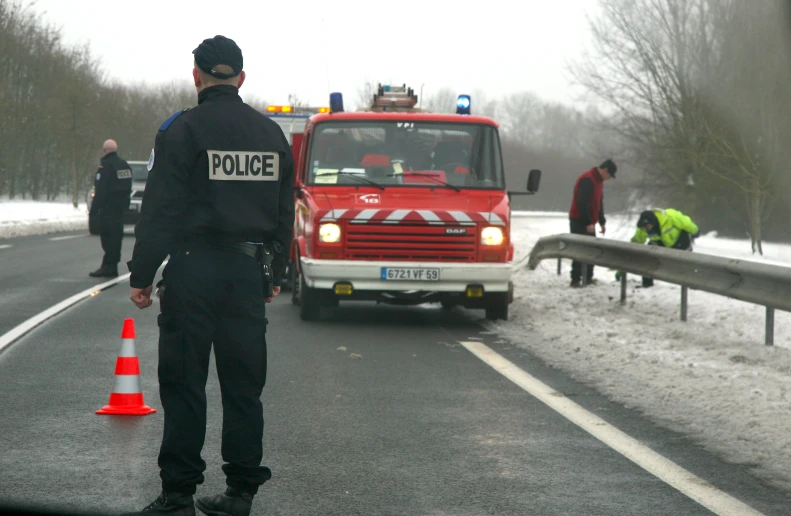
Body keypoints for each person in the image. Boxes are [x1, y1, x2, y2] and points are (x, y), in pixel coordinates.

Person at [123, 35, 294, 516]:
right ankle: (240, 493)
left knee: (184, 384)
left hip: (194, 270)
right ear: (241, 78)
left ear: (196, 75)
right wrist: (273, 270)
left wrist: (141, 274)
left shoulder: (181, 129)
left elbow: (159, 209)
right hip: (245, 272)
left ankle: (178, 495)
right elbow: (286, 212)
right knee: (243, 388)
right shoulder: (270, 135)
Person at [616, 208, 700, 287]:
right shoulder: (643, 228)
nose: (646, 229)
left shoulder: (671, 216)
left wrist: (695, 232)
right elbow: (634, 246)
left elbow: (688, 224)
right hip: (661, 244)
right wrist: (622, 269)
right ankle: (647, 284)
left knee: (686, 265)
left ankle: (695, 284)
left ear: (653, 222)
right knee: (647, 254)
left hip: (680, 243)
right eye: (644, 227)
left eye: (647, 226)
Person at [567, 159, 617, 288]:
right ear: (605, 170)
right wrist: (588, 222)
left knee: (591, 250)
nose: (609, 178)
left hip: (589, 221)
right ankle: (575, 279)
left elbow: (598, 202)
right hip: (579, 220)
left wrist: (602, 221)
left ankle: (588, 277)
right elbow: (582, 202)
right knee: (579, 250)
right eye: (609, 175)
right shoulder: (588, 179)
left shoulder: (599, 181)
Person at [88, 139, 132, 278]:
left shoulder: (106, 166)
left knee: (107, 237)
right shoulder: (124, 165)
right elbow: (127, 187)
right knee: (116, 237)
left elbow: (101, 190)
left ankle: (109, 266)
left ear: (105, 150)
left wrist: (94, 210)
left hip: (107, 208)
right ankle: (112, 264)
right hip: (119, 209)